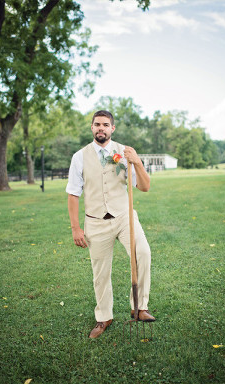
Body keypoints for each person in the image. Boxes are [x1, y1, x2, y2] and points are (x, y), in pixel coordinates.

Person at [66, 110, 155, 339]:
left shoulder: (125, 153)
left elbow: (144, 187)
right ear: (92, 127)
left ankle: (139, 307)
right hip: (95, 222)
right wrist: (76, 228)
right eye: (97, 124)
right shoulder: (79, 157)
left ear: (112, 128)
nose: (101, 128)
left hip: (125, 217)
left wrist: (137, 163)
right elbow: (73, 194)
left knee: (143, 252)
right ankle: (104, 317)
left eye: (105, 125)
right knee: (100, 273)